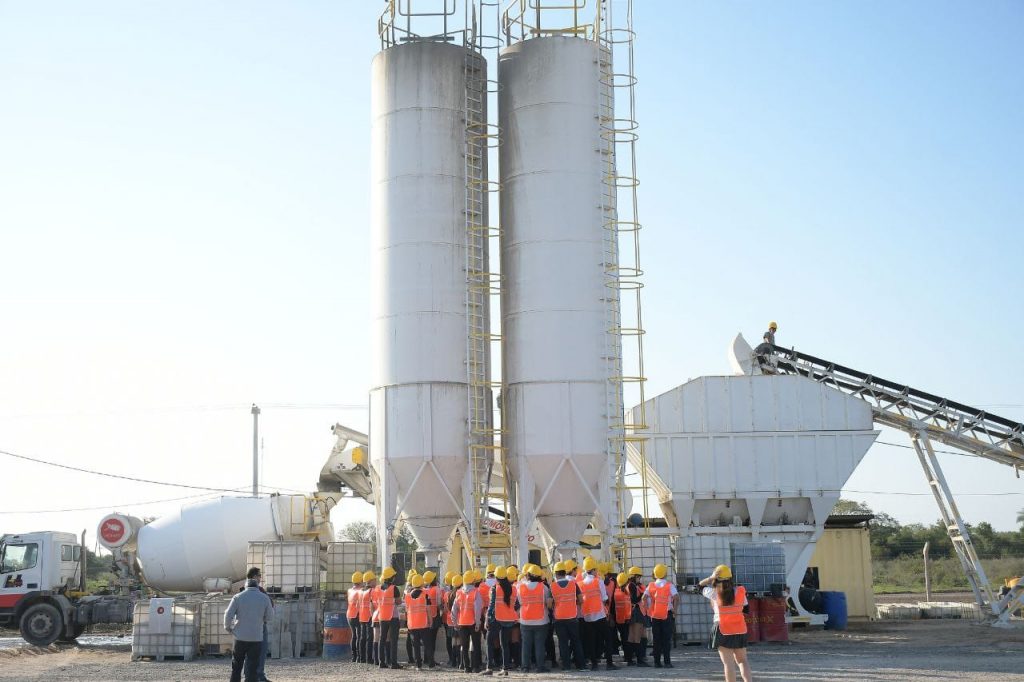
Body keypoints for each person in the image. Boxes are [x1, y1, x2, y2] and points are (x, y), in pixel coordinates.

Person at [700, 565, 752, 682]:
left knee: (728, 663)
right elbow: (746, 609)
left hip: (722, 629)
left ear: (716, 578)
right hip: (739, 629)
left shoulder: (713, 593)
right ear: (730, 577)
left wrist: (710, 578)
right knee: (742, 661)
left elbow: (699, 586)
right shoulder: (740, 591)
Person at [224, 577, 273, 682]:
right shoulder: (264, 598)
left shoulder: (238, 597)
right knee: (253, 668)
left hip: (240, 638)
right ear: (257, 587)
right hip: (256, 638)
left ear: (246, 587)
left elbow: (228, 614)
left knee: (236, 666)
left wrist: (228, 628)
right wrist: (261, 620)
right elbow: (270, 616)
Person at [579, 557, 616, 670]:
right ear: (594, 570)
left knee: (591, 641)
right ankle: (609, 663)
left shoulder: (580, 584)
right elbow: (604, 598)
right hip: (599, 615)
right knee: (608, 638)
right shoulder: (598, 581)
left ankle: (594, 664)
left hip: (587, 616)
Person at [550, 562, 587, 672]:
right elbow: (581, 600)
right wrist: (573, 603)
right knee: (576, 641)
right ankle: (581, 666)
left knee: (563, 642)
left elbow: (549, 604)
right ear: (565, 572)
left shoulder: (552, 586)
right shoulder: (573, 584)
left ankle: (566, 666)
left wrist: (556, 605)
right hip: (572, 617)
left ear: (555, 574)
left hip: (559, 618)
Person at [484, 566, 519, 677]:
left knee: (489, 642)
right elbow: (516, 605)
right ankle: (505, 669)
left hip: (497, 619)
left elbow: (491, 605)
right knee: (505, 644)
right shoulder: (513, 588)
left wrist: (487, 619)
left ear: (496, 577)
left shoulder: (495, 588)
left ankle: (489, 667)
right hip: (509, 619)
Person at [517, 564, 552, 673]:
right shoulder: (544, 587)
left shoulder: (520, 587)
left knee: (526, 644)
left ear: (527, 575)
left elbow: (520, 602)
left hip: (525, 620)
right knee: (540, 644)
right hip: (541, 620)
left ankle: (525, 667)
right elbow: (548, 603)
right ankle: (540, 667)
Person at [644, 563, 678, 668]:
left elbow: (644, 598)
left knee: (656, 639)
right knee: (666, 639)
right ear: (665, 574)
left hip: (655, 615)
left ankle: (657, 663)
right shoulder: (669, 585)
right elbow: (676, 597)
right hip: (666, 615)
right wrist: (675, 610)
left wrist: (647, 610)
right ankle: (667, 662)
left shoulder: (651, 585)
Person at [245, 567, 273, 682]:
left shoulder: (241, 591)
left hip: (246, 627)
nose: (260, 578)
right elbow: (270, 606)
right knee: (261, 651)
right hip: (260, 625)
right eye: (259, 575)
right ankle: (259, 676)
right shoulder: (260, 591)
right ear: (254, 577)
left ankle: (248, 676)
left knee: (248, 653)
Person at [452, 570, 483, 672]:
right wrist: (478, 623)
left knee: (464, 646)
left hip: (462, 623)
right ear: (473, 581)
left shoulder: (459, 592)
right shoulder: (476, 592)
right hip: (473, 623)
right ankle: (475, 666)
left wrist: (455, 623)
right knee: (476, 645)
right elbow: (477, 609)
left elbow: (454, 610)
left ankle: (466, 667)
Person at [376, 566, 402, 669]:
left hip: (382, 616)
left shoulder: (378, 588)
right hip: (393, 616)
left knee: (382, 639)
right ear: (391, 577)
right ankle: (393, 663)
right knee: (393, 640)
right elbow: (399, 602)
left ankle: (381, 662)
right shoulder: (394, 588)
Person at [405, 574, 432, 670]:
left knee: (416, 646)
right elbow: (428, 610)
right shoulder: (426, 594)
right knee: (427, 644)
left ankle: (418, 665)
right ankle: (431, 663)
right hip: (423, 623)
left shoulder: (407, 596)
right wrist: (430, 621)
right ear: (421, 583)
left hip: (412, 624)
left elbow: (406, 610)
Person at [625, 566, 650, 666]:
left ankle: (630, 660)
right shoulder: (632, 586)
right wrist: (644, 594)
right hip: (636, 613)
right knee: (637, 637)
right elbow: (634, 600)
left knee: (632, 637)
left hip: (633, 612)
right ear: (634, 576)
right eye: (639, 576)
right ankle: (640, 660)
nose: (640, 578)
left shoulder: (631, 585)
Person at [422, 570, 441, 668]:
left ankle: (426, 658)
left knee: (427, 639)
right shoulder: (436, 589)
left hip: (425, 617)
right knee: (432, 640)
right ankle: (431, 659)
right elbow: (439, 603)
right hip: (434, 616)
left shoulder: (423, 590)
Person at [358, 571, 377, 665]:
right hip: (370, 616)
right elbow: (374, 604)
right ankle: (369, 658)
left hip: (362, 616)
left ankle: (361, 658)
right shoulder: (372, 591)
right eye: (374, 580)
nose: (376, 581)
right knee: (370, 638)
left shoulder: (360, 591)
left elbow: (358, 604)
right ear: (370, 581)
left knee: (362, 638)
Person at [347, 571, 364, 664]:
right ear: (361, 580)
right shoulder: (360, 591)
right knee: (359, 636)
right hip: (357, 615)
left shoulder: (350, 590)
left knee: (354, 636)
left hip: (349, 615)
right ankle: (359, 657)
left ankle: (353, 657)